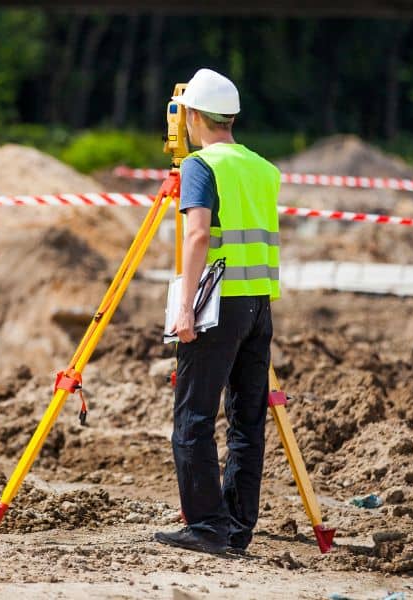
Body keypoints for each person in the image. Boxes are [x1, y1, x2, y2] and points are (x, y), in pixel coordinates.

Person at [154, 68, 282, 555]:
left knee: (194, 417)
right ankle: (236, 527)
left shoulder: (200, 167)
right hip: (258, 306)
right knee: (248, 419)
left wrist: (184, 305)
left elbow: (199, 234)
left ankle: (207, 526)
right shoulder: (263, 168)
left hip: (217, 305)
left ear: (191, 116)